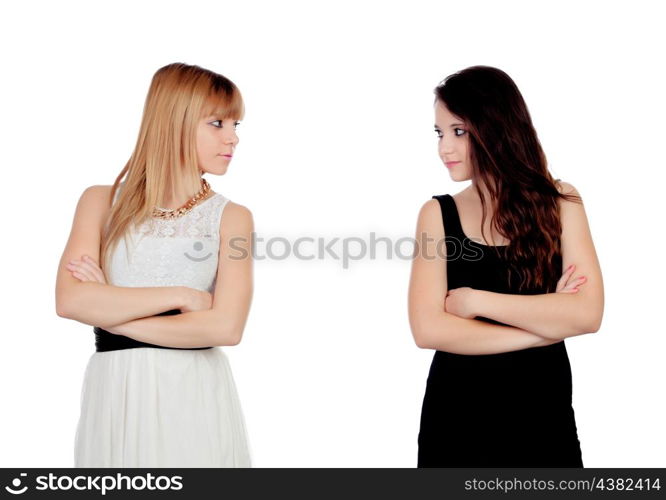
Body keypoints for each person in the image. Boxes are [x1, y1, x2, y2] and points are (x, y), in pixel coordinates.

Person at [55, 62, 253, 467]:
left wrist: (108, 310)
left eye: (236, 125)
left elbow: (225, 327)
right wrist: (181, 297)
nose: (233, 138)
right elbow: (69, 300)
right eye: (218, 123)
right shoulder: (99, 201)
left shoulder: (232, 217)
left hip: (192, 390)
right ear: (174, 121)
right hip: (117, 392)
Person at [408, 66, 604, 467]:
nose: (444, 148)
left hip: (544, 422)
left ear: (494, 126)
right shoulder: (436, 214)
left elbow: (587, 313)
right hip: (456, 424)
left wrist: (476, 301)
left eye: (458, 131)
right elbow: (428, 329)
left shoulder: (562, 202)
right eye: (439, 133)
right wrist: (541, 329)